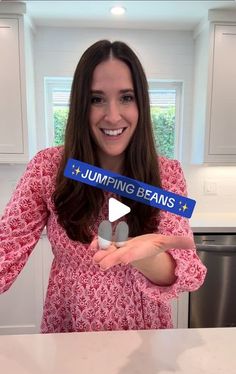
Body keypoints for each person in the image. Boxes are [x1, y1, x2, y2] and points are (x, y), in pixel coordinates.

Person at [0, 40, 206, 333]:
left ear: (141, 104)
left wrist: (146, 256)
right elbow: (4, 251)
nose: (112, 115)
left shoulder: (166, 174)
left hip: (142, 334)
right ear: (80, 105)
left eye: (126, 97)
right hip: (71, 328)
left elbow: (186, 271)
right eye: (96, 99)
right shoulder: (47, 168)